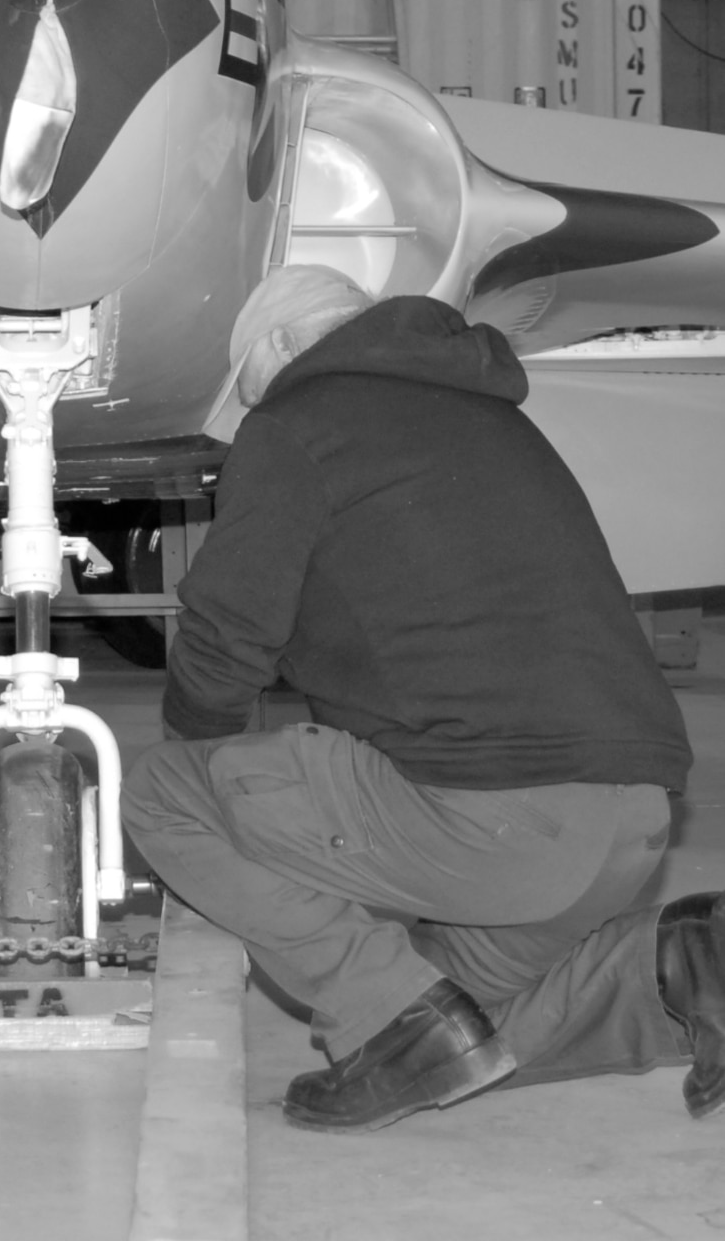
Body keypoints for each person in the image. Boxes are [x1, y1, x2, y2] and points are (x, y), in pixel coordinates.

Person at [121, 265, 725, 1133]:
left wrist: (196, 764)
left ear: (284, 345)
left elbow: (225, 634)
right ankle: (685, 960)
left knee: (162, 794)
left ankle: (394, 1016)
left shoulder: (297, 420)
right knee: (459, 1042)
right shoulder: (492, 416)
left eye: (250, 383)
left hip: (505, 817)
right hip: (630, 820)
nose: (252, 408)